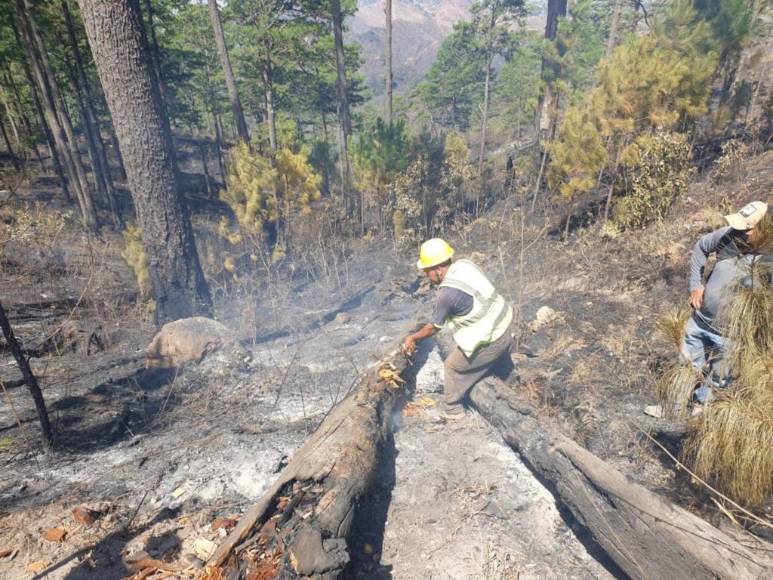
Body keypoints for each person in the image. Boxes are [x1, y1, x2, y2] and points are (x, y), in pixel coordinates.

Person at [402, 238, 513, 418]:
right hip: (505, 325)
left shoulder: (446, 294)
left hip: (494, 340)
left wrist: (413, 338)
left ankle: (453, 409)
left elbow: (434, 328)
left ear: (438, 269)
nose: (426, 276)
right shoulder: (465, 265)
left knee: (452, 367)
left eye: (427, 271)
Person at [682, 200, 769, 405]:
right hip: (700, 321)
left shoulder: (769, 259)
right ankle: (673, 407)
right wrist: (696, 284)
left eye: (746, 229)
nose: (739, 232)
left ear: (765, 228)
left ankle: (700, 417)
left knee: (717, 383)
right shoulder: (729, 235)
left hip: (733, 336)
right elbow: (701, 247)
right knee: (684, 369)